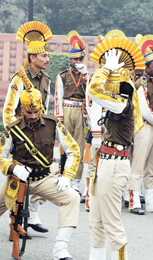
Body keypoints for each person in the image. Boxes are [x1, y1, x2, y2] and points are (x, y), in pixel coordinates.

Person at [0, 66, 81, 260]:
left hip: (44, 178)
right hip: (18, 180)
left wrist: (67, 176)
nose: (32, 116)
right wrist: (13, 169)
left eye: (36, 111)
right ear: (22, 109)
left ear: (41, 108)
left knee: (72, 198)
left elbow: (73, 149)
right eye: (28, 112)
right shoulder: (13, 130)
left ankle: (60, 249)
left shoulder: (52, 123)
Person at [69, 35, 145, 260]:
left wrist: (104, 70)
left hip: (117, 164)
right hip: (105, 162)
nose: (110, 86)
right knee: (97, 220)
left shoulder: (123, 102)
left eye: (114, 83)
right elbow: (96, 95)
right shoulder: (112, 105)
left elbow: (94, 90)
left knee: (112, 221)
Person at [2, 21, 52, 234]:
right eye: (44, 56)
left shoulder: (47, 80)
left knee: (41, 173)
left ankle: (34, 217)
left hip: (38, 134)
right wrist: (14, 137)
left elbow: (45, 109)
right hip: (21, 136)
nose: (48, 59)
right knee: (18, 181)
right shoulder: (19, 78)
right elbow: (8, 110)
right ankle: (15, 223)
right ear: (32, 58)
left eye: (48, 56)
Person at [126, 35, 153, 214]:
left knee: (152, 166)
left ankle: (151, 202)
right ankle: (134, 201)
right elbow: (144, 110)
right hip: (143, 127)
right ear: (146, 68)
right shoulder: (140, 84)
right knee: (138, 165)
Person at [55, 30, 89, 196]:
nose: (76, 62)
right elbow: (58, 97)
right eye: (74, 59)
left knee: (79, 149)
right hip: (67, 110)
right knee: (65, 147)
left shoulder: (87, 76)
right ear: (69, 59)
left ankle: (76, 182)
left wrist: (86, 76)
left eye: (79, 59)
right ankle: (64, 177)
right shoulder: (62, 76)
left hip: (81, 111)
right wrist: (59, 118)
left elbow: (91, 94)